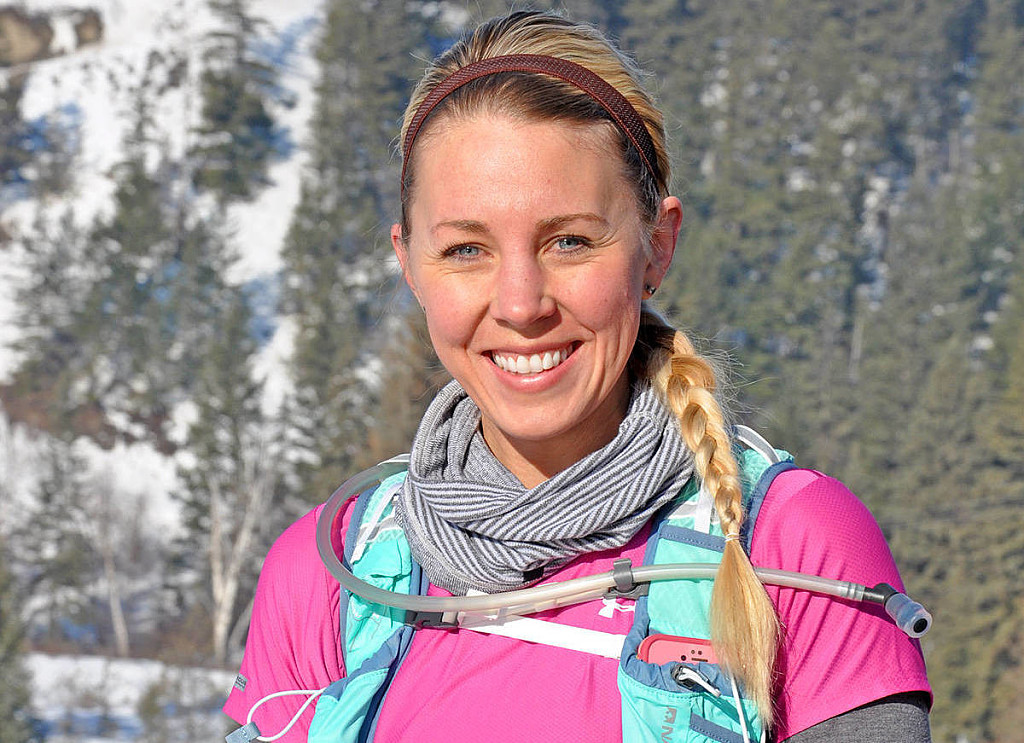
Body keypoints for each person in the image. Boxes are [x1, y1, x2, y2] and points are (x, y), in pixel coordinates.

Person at [223, 10, 931, 742]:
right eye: (466, 250)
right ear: (409, 264)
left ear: (657, 245)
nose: (521, 304)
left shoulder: (790, 546)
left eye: (569, 241)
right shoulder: (330, 573)